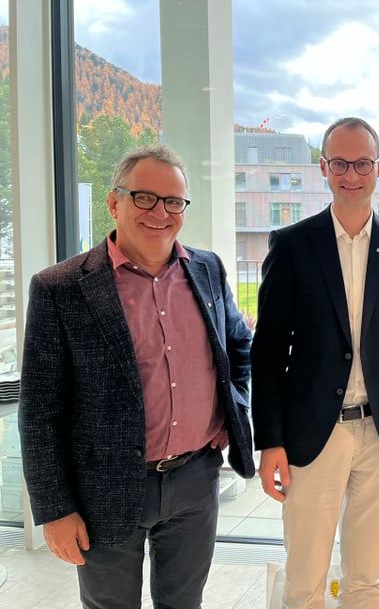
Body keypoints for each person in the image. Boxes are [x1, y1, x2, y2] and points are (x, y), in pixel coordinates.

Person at [18, 144, 255, 608]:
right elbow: (40, 410)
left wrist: (235, 411)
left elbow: (238, 347)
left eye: (173, 202)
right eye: (144, 197)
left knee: (184, 603)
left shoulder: (207, 269)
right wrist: (55, 509)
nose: (160, 212)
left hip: (195, 479)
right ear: (114, 202)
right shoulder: (60, 287)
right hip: (103, 487)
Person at [251, 117, 379, 608]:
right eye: (340, 164)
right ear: (323, 168)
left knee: (365, 577)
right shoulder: (291, 245)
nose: (352, 175)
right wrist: (269, 441)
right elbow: (267, 351)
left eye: (362, 164)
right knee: (305, 576)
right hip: (314, 433)